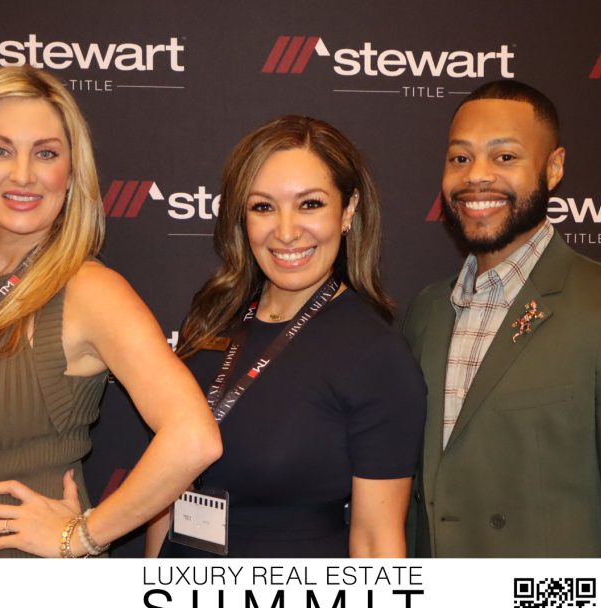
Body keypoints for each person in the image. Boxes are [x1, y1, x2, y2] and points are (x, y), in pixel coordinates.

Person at [0, 66, 221, 558]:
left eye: (45, 153)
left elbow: (195, 437)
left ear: (70, 175)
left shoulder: (90, 291)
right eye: (0, 150)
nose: (23, 174)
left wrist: (81, 536)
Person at [404, 80, 601, 557]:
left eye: (505, 156)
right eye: (460, 157)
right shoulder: (427, 311)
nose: (477, 176)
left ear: (553, 168)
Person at [147, 115, 426, 558]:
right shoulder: (212, 318)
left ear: (348, 210)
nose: (287, 231)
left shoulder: (376, 355)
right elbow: (165, 490)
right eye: (263, 207)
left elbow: (377, 543)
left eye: (310, 204)